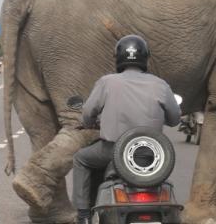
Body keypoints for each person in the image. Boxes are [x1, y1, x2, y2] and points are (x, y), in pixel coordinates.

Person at [72, 35, 181, 224]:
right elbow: (175, 119)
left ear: (119, 58)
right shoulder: (160, 84)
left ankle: (83, 215)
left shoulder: (107, 82)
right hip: (151, 156)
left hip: (111, 152)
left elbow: (88, 113)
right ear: (145, 58)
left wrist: (89, 123)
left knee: (80, 159)